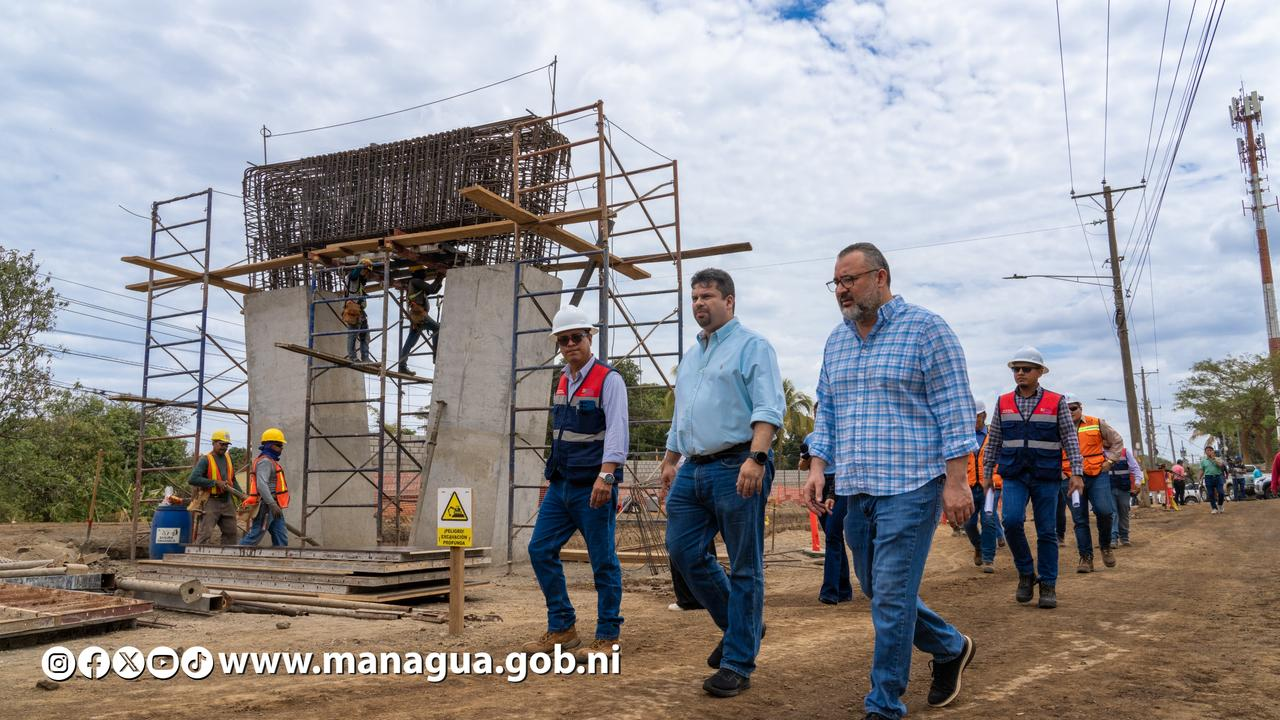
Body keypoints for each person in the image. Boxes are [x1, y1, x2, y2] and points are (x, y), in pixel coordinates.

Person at [803, 243, 977, 718]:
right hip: (856, 489)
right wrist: (818, 468)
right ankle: (949, 646)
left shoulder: (926, 329)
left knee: (893, 597)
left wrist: (957, 482)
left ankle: (884, 703)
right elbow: (828, 411)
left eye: (849, 280)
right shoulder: (836, 341)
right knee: (878, 591)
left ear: (880, 277)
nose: (841, 290)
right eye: (835, 282)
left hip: (912, 485)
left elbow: (955, 409)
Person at [660, 268, 783, 698]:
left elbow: (769, 407)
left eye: (707, 296)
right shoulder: (692, 356)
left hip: (738, 465)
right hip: (693, 468)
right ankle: (742, 626)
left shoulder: (753, 346)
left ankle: (737, 661)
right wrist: (670, 460)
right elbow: (682, 416)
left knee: (745, 564)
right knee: (682, 550)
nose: (699, 304)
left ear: (729, 301)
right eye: (694, 297)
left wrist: (757, 456)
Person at [523, 304, 629, 662]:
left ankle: (608, 634)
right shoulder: (564, 380)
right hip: (561, 484)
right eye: (564, 339)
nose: (570, 344)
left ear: (589, 338)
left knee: (602, 560)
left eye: (576, 337)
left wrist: (607, 475)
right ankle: (563, 627)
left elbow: (617, 431)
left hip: (593, 485)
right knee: (539, 549)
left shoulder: (608, 379)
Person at [983, 346, 1084, 609]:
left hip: (1046, 476)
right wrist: (986, 474)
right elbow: (994, 439)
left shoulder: (1056, 401)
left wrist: (1077, 473)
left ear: (1040, 372)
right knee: (1012, 521)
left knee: (1046, 531)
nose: (1020, 373)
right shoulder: (1003, 402)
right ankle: (1026, 573)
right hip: (1014, 474)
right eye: (1016, 369)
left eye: (1026, 369)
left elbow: (1070, 438)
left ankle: (1048, 583)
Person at [1062, 396, 1124, 573]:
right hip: (1069, 477)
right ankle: (1086, 557)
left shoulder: (1096, 423)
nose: (1069, 412)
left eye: (1072, 408)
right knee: (1079, 519)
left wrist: (1110, 461)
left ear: (1080, 407)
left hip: (1096, 475)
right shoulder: (1056, 428)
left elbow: (1117, 441)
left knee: (1104, 511)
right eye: (1065, 409)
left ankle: (1105, 546)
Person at [801, 434, 852, 604]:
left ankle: (829, 591)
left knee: (832, 535)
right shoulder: (810, 438)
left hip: (841, 483)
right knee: (834, 537)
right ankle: (844, 590)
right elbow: (802, 465)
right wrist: (809, 457)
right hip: (819, 484)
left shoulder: (842, 433)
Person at [965, 401, 1004, 573]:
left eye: (975, 416)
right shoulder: (963, 437)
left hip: (990, 486)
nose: (972, 420)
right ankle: (979, 546)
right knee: (968, 523)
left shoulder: (994, 437)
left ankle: (988, 558)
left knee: (988, 519)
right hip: (969, 487)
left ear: (984, 416)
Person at [187, 429, 240, 545]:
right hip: (211, 500)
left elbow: (233, 479)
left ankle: (227, 558)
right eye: (221, 444)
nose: (224, 447)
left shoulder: (228, 458)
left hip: (227, 500)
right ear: (213, 443)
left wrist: (241, 495)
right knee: (206, 533)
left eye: (226, 445)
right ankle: (195, 556)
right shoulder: (206, 460)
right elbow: (192, 479)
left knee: (231, 533)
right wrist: (215, 482)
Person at [240, 428, 290, 547]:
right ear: (270, 446)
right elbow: (262, 485)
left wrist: (275, 505)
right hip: (267, 506)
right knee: (255, 535)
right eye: (279, 445)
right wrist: (272, 504)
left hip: (274, 506)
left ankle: (280, 561)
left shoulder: (271, 461)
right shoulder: (265, 462)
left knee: (281, 536)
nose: (281, 448)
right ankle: (234, 556)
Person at [396, 268, 444, 375]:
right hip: (420, 315)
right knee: (437, 328)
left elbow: (433, 290)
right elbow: (431, 289)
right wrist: (439, 277)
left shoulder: (416, 285)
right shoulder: (415, 281)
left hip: (417, 316)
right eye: (423, 272)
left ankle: (402, 366)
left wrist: (440, 280)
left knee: (410, 342)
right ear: (417, 273)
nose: (425, 274)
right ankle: (436, 357)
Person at [343, 258, 374, 362]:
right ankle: (352, 357)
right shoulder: (353, 277)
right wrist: (362, 264)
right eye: (366, 271)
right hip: (353, 310)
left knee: (365, 334)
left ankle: (365, 357)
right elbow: (354, 274)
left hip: (360, 311)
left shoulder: (360, 282)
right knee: (352, 334)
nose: (366, 274)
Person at [1111, 447, 1140, 546]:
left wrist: (1138, 481)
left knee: (1124, 511)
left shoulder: (1125, 452)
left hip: (1123, 488)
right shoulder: (1101, 452)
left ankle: (1124, 537)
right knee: (1112, 513)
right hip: (1109, 488)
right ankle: (1113, 539)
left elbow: (1135, 467)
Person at [1202, 446, 1227, 513]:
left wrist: (1214, 459)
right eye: (1208, 450)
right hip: (1208, 478)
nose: (1209, 451)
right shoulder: (1203, 461)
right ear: (1205, 452)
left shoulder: (1218, 458)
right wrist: (1199, 479)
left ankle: (1220, 505)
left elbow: (1221, 465)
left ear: (1213, 451)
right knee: (1210, 494)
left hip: (1218, 477)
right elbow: (1202, 470)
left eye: (1211, 450)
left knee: (1221, 493)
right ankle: (1214, 508)